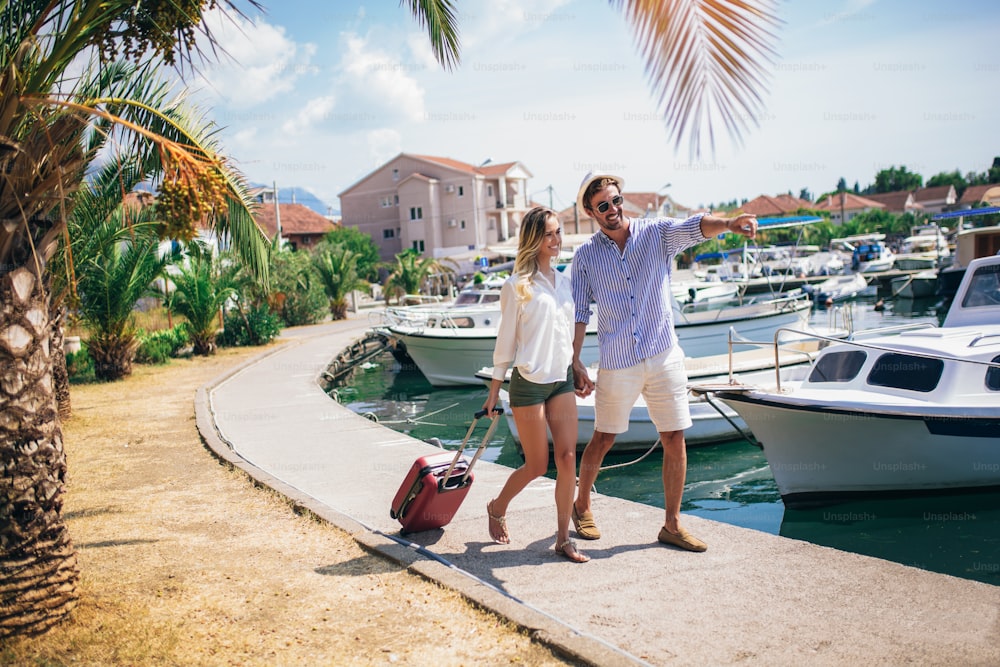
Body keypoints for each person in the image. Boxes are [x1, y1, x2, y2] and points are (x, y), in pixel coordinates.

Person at [570, 173, 757, 552]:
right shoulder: (585, 257)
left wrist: (730, 224)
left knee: (674, 437)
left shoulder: (655, 234)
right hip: (618, 360)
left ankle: (671, 524)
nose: (613, 210)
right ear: (591, 212)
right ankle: (582, 504)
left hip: (663, 353)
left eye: (616, 200)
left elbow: (694, 227)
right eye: (603, 205)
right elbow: (579, 312)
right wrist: (574, 360)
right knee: (604, 438)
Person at [482, 206, 589, 563]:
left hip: (560, 381)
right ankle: (497, 506)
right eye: (548, 234)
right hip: (527, 383)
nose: (556, 240)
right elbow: (506, 341)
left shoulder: (565, 283)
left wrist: (576, 364)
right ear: (533, 239)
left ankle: (562, 539)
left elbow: (567, 334)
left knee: (568, 458)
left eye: (558, 232)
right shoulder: (516, 287)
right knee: (537, 465)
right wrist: (495, 388)